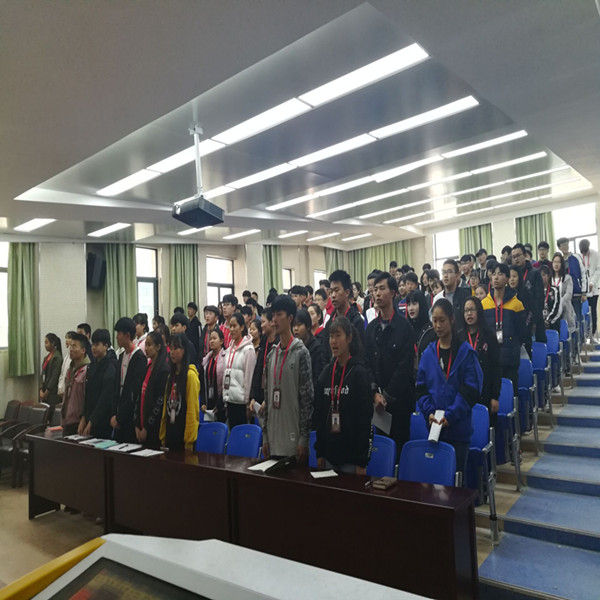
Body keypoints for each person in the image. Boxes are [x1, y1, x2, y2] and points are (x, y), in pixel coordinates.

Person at [416, 299, 483, 481]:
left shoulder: (466, 353)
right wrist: (429, 412)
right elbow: (421, 389)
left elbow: (471, 390)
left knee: (456, 481)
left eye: (442, 320)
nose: (437, 326)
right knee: (435, 482)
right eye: (434, 321)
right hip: (435, 428)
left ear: (452, 319)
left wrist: (451, 415)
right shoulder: (428, 354)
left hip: (459, 430)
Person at [365, 272, 416, 458]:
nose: (377, 293)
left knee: (399, 453)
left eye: (382, 289)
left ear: (393, 293)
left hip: (399, 402)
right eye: (375, 289)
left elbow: (404, 368)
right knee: (381, 453)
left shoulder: (404, 327)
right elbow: (367, 363)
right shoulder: (371, 328)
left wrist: (386, 396)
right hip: (377, 404)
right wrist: (375, 393)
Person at [314, 316, 373, 474]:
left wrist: (362, 461)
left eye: (338, 335)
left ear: (349, 338)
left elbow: (365, 420)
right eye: (331, 336)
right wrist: (320, 452)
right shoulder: (326, 373)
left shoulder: (359, 373)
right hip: (329, 457)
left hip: (351, 460)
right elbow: (320, 415)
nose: (333, 341)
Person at [262, 295, 313, 462]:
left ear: (290, 318)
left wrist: (304, 438)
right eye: (273, 315)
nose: (274, 320)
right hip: (273, 439)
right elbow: (267, 397)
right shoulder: (271, 355)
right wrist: (265, 436)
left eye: (279, 314)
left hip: (294, 440)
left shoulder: (301, 353)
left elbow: (307, 399)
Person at [482, 263, 526, 394]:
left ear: (507, 279)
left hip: (510, 360)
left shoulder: (517, 304)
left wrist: (513, 347)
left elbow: (522, 333)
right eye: (494, 274)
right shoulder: (484, 304)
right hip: (490, 360)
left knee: (510, 395)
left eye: (500, 274)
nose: (496, 277)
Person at [462, 297, 501, 425]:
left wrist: (495, 396)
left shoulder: (489, 336)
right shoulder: (459, 337)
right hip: (465, 392)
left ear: (478, 311)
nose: (469, 314)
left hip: (486, 391)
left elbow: (496, 368)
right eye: (466, 311)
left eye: (472, 310)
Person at [160, 332, 200, 450]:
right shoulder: (171, 376)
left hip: (184, 438)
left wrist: (189, 441)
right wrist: (162, 435)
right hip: (170, 435)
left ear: (184, 350)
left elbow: (192, 411)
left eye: (176, 348)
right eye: (171, 348)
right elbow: (165, 408)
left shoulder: (190, 376)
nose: (172, 352)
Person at [111, 317, 147, 443]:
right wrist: (115, 414)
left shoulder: (139, 358)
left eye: (119, 334)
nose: (117, 337)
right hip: (118, 412)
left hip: (130, 416)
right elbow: (117, 387)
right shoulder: (121, 356)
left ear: (127, 335)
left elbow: (134, 391)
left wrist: (120, 417)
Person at [133, 331, 170, 448]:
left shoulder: (163, 370)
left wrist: (147, 428)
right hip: (141, 425)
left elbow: (159, 402)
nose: (146, 348)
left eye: (149, 345)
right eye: (146, 345)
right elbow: (139, 396)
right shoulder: (147, 367)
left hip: (154, 430)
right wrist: (137, 425)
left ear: (158, 347)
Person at [80, 329, 118, 439]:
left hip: (103, 421)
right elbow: (87, 395)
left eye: (97, 345)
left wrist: (92, 421)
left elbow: (105, 398)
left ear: (105, 346)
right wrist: (83, 417)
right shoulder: (92, 365)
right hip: (90, 418)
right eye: (92, 345)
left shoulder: (110, 366)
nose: (93, 348)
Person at [222, 312, 256, 429]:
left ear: (242, 327)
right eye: (230, 326)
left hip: (242, 403)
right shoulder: (229, 349)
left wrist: (247, 402)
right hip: (230, 399)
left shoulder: (248, 350)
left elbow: (249, 378)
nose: (231, 329)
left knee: (242, 434)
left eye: (234, 326)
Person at [322, 270, 365, 358]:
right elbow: (325, 354)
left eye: (336, 290)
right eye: (331, 292)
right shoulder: (329, 323)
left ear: (347, 292)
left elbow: (359, 355)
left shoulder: (356, 322)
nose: (333, 295)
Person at [293, 308, 327, 417]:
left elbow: (318, 379)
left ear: (308, 326)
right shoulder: (294, 348)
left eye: (299, 325)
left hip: (311, 404)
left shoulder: (317, 349)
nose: (295, 329)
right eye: (294, 325)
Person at [512, 243, 546, 344]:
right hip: (518, 319)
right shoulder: (511, 275)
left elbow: (539, 299)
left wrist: (534, 320)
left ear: (525, 255)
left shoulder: (534, 273)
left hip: (534, 319)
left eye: (518, 255)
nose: (516, 259)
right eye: (514, 257)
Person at [249, 307, 279, 418]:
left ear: (272, 322)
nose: (261, 325)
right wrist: (253, 397)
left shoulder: (279, 342)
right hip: (261, 391)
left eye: (263, 322)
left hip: (273, 397)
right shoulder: (264, 340)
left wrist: (268, 400)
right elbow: (258, 369)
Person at [61, 333, 91, 436]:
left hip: (78, 422)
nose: (71, 349)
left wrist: (84, 418)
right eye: (70, 346)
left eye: (74, 346)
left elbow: (88, 399)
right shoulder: (70, 370)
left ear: (83, 350)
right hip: (67, 420)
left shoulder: (87, 370)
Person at [558, 236, 587, 329]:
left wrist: (584, 292)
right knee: (567, 320)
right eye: (563, 245)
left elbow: (583, 274)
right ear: (559, 248)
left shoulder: (576, 257)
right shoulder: (559, 261)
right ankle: (571, 338)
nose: (565, 247)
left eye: (566, 244)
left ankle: (580, 337)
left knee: (578, 318)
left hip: (576, 293)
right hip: (564, 295)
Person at [433, 259, 471, 330]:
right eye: (443, 272)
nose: (445, 275)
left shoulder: (465, 296)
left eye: (449, 272)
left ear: (457, 275)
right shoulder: (437, 298)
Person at [202, 327, 227, 423]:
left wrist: (219, 403)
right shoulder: (206, 360)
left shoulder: (225, 357)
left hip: (221, 403)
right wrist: (203, 402)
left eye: (214, 338)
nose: (211, 341)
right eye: (210, 339)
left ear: (221, 341)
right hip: (209, 401)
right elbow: (203, 383)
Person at [406, 290, 436, 364]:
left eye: (414, 304)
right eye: (409, 305)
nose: (411, 308)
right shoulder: (406, 329)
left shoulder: (431, 330)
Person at [579, 239, 600, 339]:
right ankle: (585, 333)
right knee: (584, 311)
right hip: (583, 289)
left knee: (593, 311)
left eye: (585, 252)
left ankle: (594, 332)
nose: (584, 254)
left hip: (594, 288)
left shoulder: (595, 254)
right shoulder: (579, 257)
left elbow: (598, 270)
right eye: (582, 252)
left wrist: (592, 282)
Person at [552, 253, 577, 331]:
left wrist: (559, 304)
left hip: (565, 309)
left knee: (566, 333)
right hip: (552, 311)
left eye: (558, 262)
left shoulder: (567, 278)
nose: (556, 264)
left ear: (562, 264)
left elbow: (568, 294)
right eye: (554, 262)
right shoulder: (549, 279)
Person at [40, 333, 62, 409]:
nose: (45, 345)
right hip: (44, 390)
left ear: (52, 343)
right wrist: (40, 389)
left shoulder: (57, 357)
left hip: (52, 393)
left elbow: (54, 377)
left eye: (46, 342)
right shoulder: (46, 358)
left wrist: (47, 392)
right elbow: (42, 374)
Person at [539, 265, 562, 331]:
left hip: (552, 324)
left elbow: (557, 308)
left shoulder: (555, 290)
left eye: (543, 275)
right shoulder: (536, 290)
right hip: (540, 325)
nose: (541, 277)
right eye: (540, 275)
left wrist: (547, 321)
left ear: (548, 276)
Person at [58, 331, 76, 400]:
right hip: (62, 389)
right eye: (66, 338)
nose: (66, 340)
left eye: (69, 338)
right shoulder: (66, 356)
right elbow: (62, 374)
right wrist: (60, 388)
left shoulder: (74, 357)